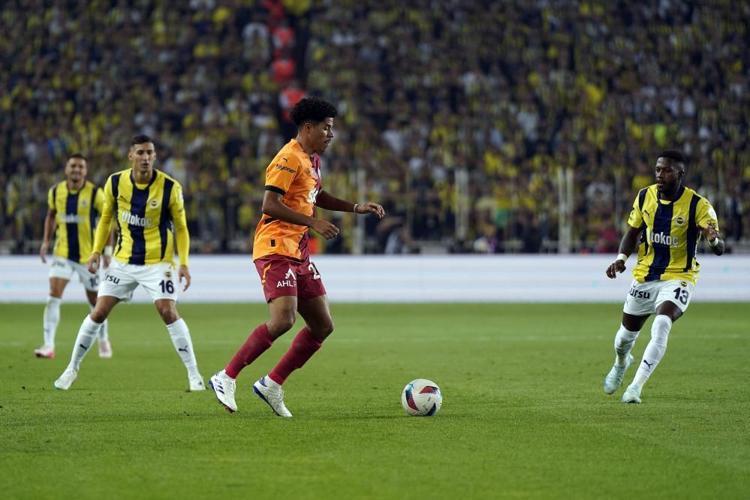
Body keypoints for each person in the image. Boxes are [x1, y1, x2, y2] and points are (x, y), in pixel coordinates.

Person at [209, 97, 385, 417]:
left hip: (298, 251)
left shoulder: (312, 159)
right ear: (308, 127)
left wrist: (355, 207)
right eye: (326, 128)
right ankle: (226, 376)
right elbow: (269, 204)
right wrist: (313, 222)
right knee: (283, 319)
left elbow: (317, 195)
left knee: (322, 325)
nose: (331, 134)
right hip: (275, 246)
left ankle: (272, 384)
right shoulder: (288, 157)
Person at [53, 135, 205, 391]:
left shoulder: (170, 188)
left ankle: (194, 374)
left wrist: (184, 263)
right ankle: (71, 369)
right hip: (122, 262)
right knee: (98, 311)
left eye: (150, 153)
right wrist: (96, 251)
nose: (146, 158)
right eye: (141, 153)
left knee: (168, 311)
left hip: (158, 263)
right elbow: (105, 219)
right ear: (131, 155)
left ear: (154, 156)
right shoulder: (115, 182)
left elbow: (181, 227)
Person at [603, 150, 724, 403]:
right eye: (658, 169)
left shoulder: (699, 205)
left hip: (680, 276)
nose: (660, 174)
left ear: (680, 174)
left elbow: (718, 246)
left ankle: (635, 387)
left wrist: (713, 240)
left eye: (667, 170)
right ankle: (621, 363)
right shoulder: (644, 196)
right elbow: (632, 232)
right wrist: (621, 259)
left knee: (661, 324)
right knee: (624, 338)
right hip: (645, 276)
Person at [36, 154, 113, 359]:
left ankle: (103, 338)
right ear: (66, 169)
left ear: (85, 171)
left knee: (96, 302)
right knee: (53, 295)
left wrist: (107, 251)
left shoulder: (95, 193)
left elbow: (107, 220)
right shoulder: (56, 192)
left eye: (80, 166)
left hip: (88, 257)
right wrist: (46, 241)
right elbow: (51, 215)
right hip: (62, 253)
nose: (76, 169)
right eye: (73, 166)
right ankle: (48, 345)